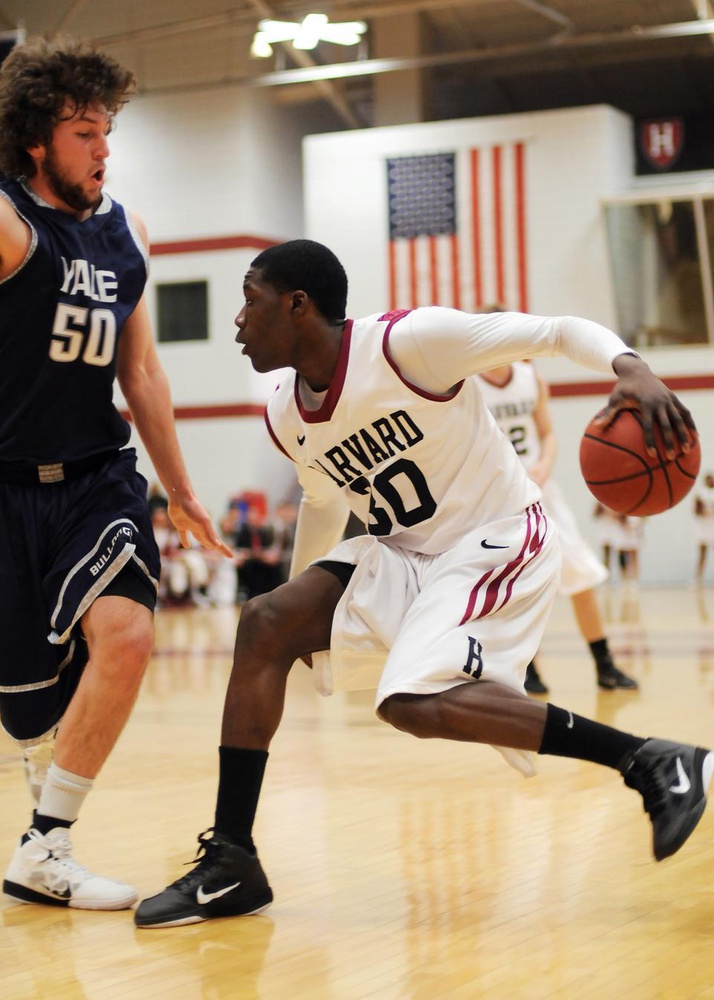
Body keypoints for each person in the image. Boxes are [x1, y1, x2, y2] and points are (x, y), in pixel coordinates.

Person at [136, 240, 711, 929]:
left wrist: (634, 369)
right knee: (262, 622)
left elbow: (555, 332)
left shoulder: (410, 345)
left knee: (409, 701)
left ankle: (654, 761)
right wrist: (300, 627)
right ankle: (232, 861)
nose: (236, 320)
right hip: (406, 554)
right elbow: (323, 506)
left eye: (249, 300)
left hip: (495, 536)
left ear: (298, 305)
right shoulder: (286, 411)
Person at [0, 37, 232, 912]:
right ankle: (40, 813)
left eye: (109, 130)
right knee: (25, 711)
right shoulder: (10, 221)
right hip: (7, 487)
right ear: (36, 141)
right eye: (85, 132)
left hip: (99, 475)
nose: (105, 148)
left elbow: (142, 374)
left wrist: (181, 488)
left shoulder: (128, 229)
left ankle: (45, 844)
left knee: (130, 633)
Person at [477, 360, 637, 695]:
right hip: (496, 499)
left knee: (580, 574)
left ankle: (605, 666)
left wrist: (545, 463)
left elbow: (547, 433)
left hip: (542, 492)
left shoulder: (530, 377)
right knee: (512, 589)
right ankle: (528, 671)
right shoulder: (466, 385)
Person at [694, 472, 714, 584]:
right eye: (707, 479)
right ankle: (698, 579)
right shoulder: (700, 493)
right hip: (703, 527)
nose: (709, 481)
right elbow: (695, 511)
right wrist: (704, 510)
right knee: (702, 554)